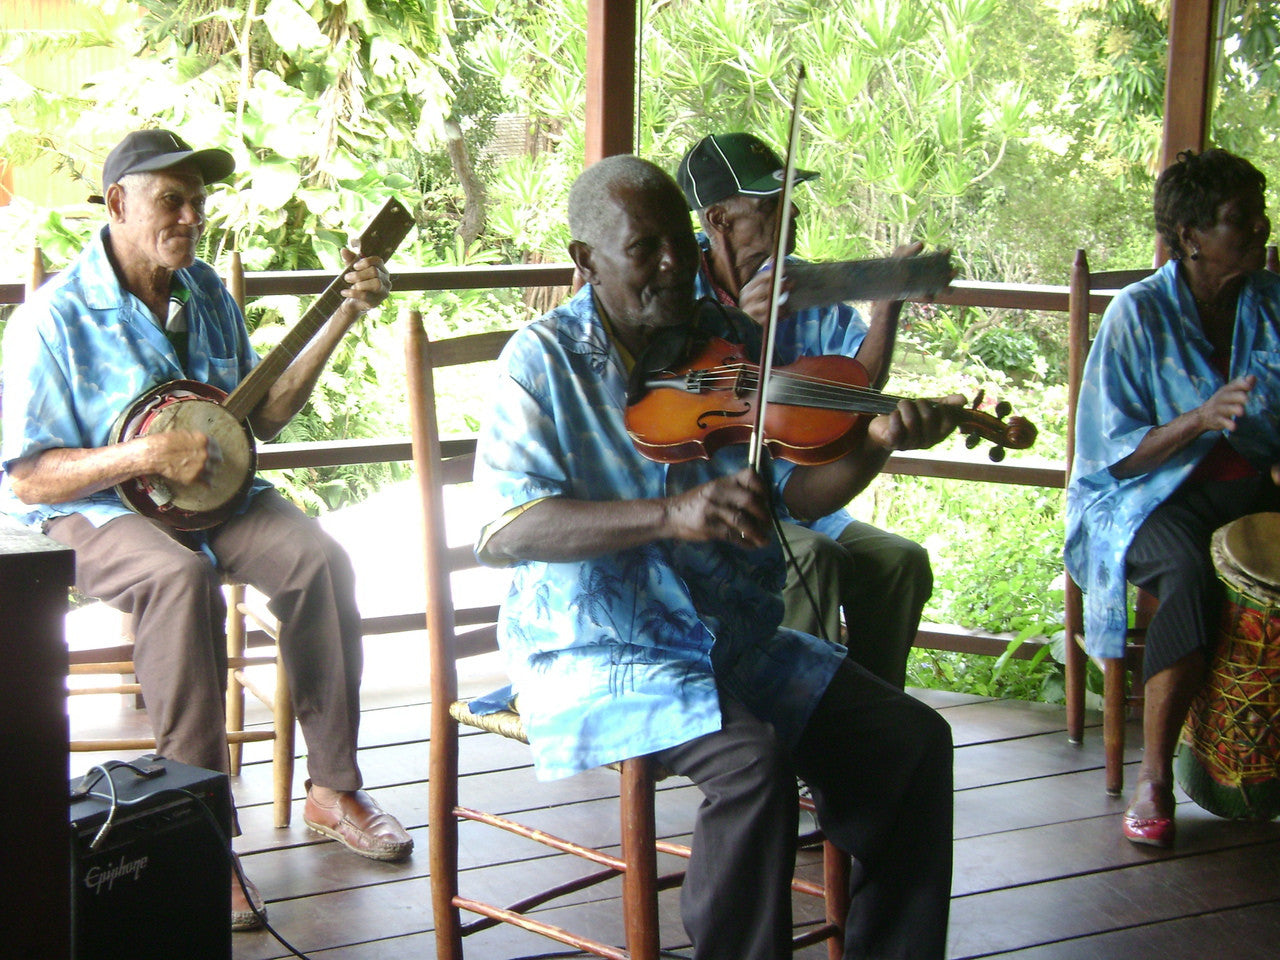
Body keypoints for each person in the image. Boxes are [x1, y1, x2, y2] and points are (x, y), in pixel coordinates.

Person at [473, 154, 957, 960]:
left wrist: (874, 441)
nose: (674, 265)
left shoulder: (730, 340)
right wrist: (670, 514)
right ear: (584, 260)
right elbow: (506, 529)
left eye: (679, 244)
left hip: (732, 634)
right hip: (601, 650)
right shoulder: (540, 361)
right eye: (644, 248)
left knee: (911, 742)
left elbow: (795, 498)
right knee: (753, 765)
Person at [0, 129, 412, 930]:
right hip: (96, 510)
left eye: (197, 202)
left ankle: (332, 785)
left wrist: (340, 318)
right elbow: (25, 474)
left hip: (218, 501)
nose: (191, 217)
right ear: (118, 204)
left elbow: (270, 414)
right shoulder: (54, 318)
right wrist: (145, 453)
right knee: (176, 579)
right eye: (171, 201)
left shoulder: (206, 296)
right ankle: (198, 838)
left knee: (318, 557)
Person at [1066, 147, 1280, 848]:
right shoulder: (1138, 315)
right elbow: (1110, 454)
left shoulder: (1271, 302)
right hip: (1147, 497)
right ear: (1189, 236)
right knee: (1188, 575)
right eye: (1239, 219)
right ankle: (1154, 776)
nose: (1260, 228)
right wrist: (1198, 417)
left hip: (1250, 490)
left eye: (1259, 212)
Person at [674, 132, 932, 688]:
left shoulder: (797, 283)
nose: (789, 211)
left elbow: (854, 387)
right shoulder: (674, 289)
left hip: (797, 501)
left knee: (899, 561)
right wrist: (740, 332)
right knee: (813, 559)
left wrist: (887, 304)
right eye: (768, 205)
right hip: (711, 508)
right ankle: (801, 732)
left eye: (789, 197)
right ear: (718, 219)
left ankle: (871, 723)